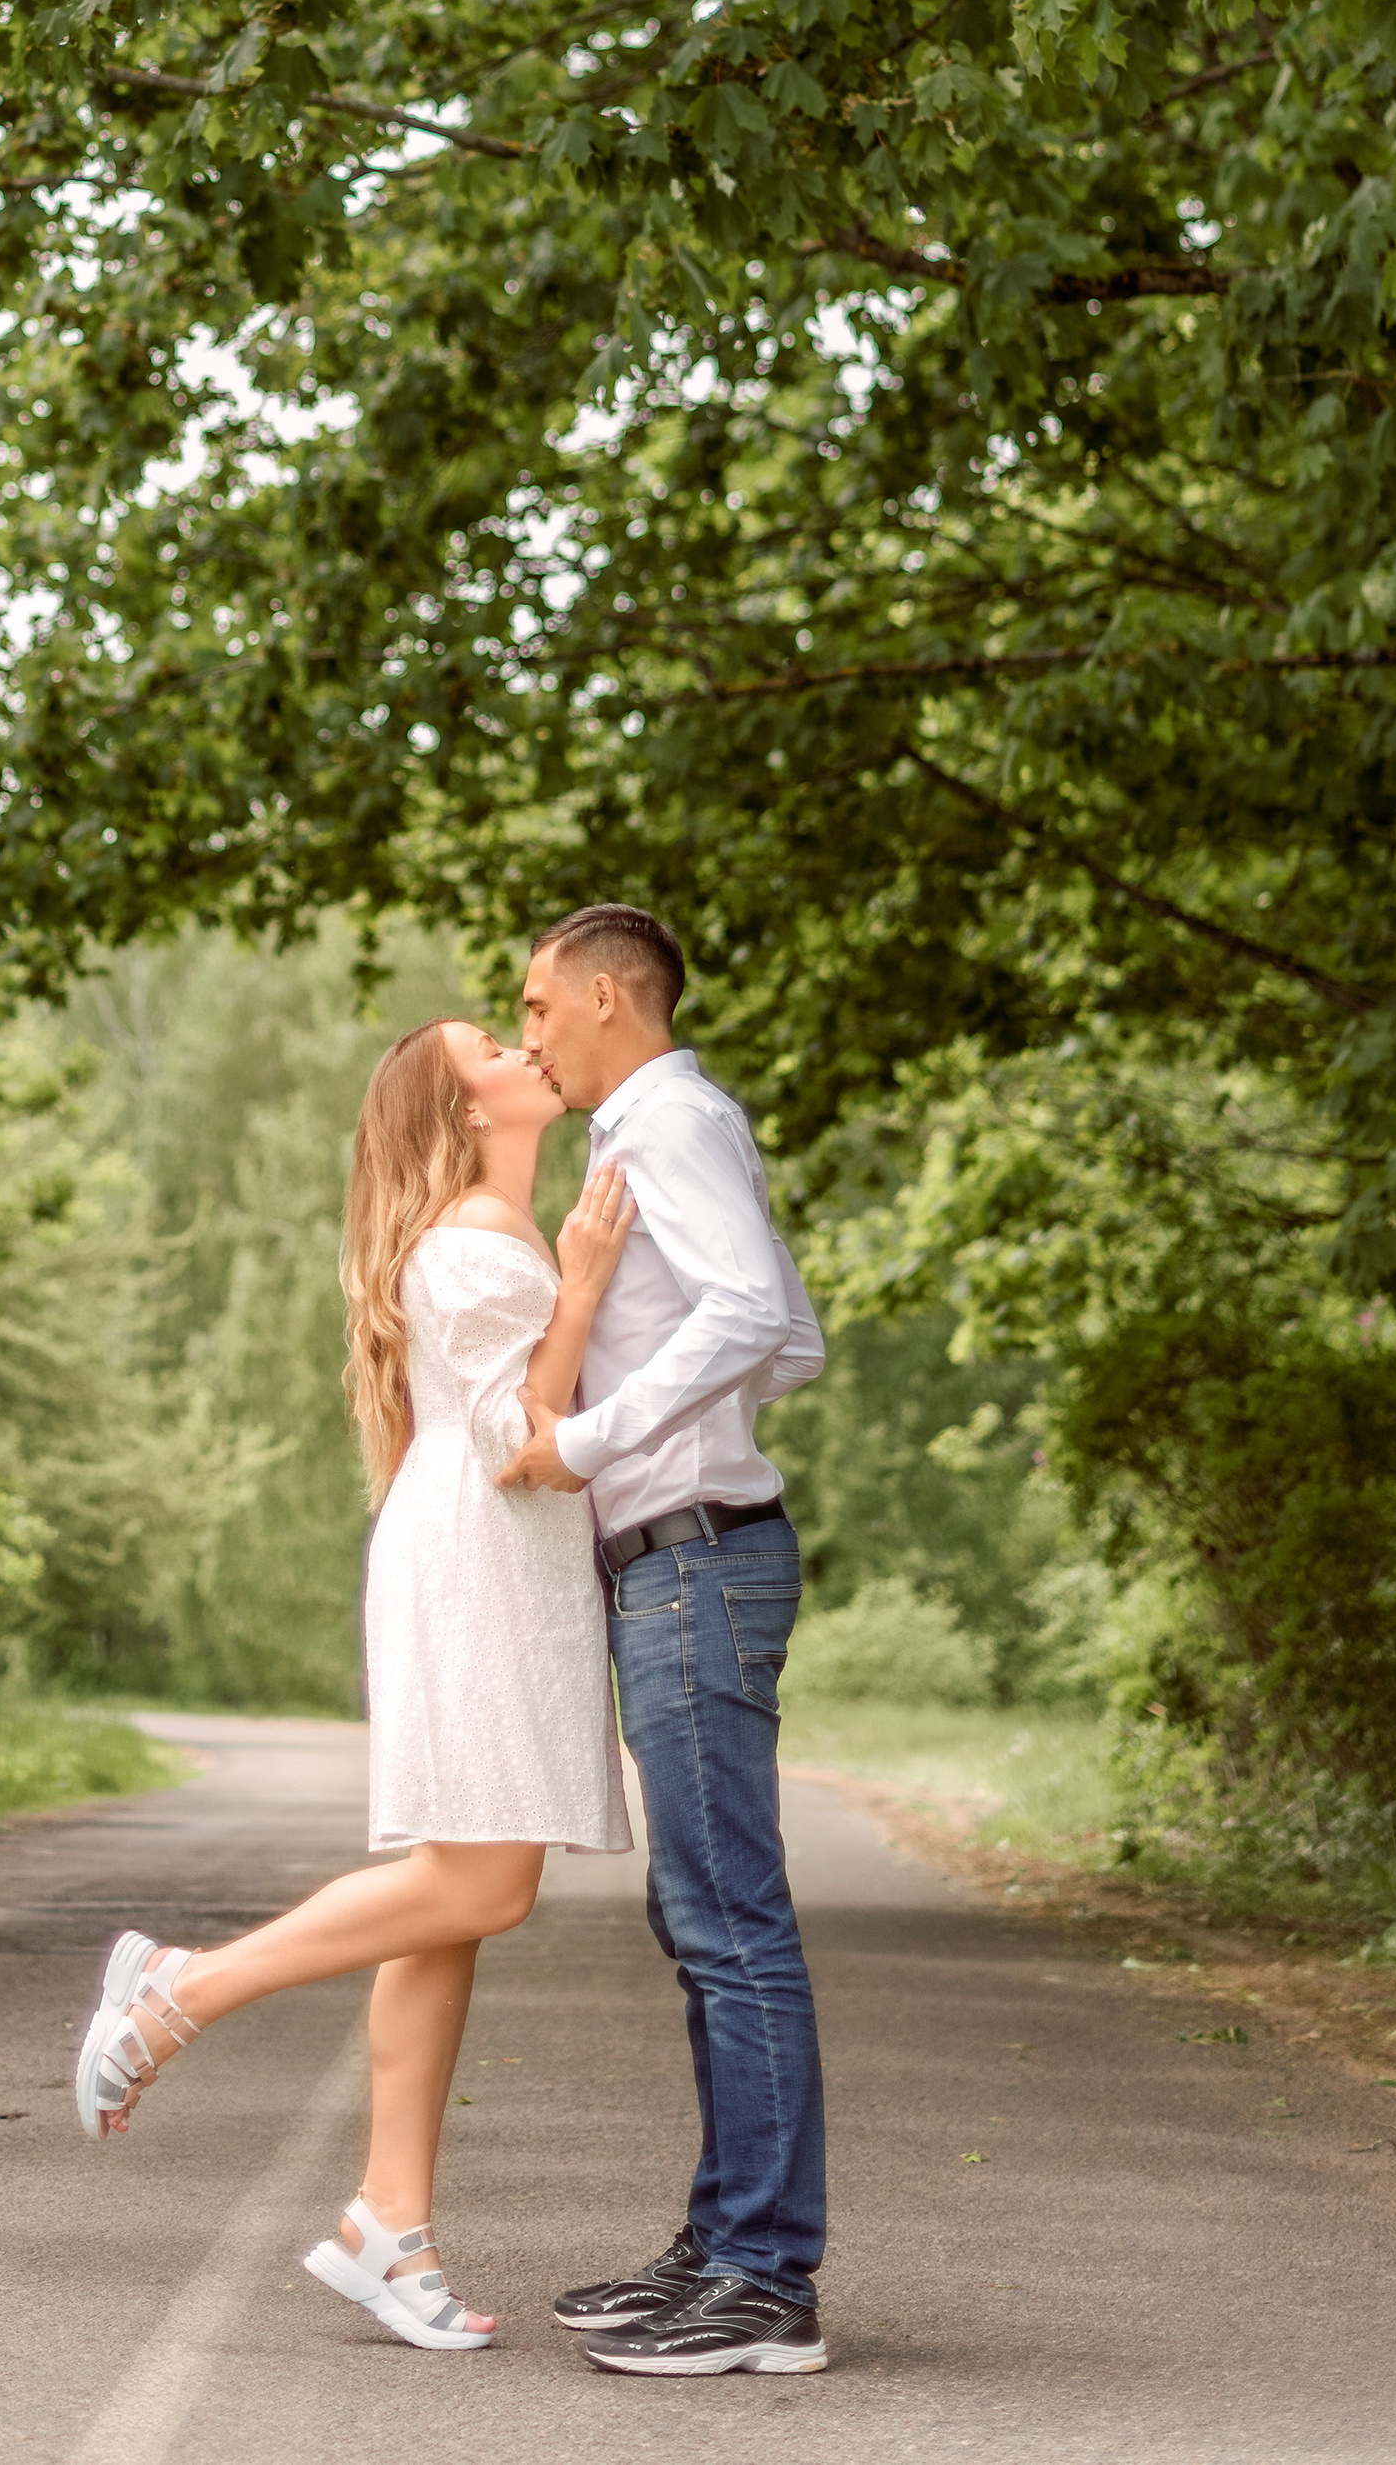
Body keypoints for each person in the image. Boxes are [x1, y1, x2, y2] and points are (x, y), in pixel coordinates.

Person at [68, 1014, 636, 2351]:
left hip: (494, 1559)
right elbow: (524, 1437)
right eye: (495, 1041)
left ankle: (392, 2222)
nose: (523, 1043)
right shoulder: (481, 1245)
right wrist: (589, 1282)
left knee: (446, 1907)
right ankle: (177, 1992)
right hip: (482, 1555)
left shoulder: (485, 1239)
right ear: (458, 1110)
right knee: (487, 1880)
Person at [500, 901, 831, 2380]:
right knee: (702, 1920)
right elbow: (792, 1338)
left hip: (696, 1560)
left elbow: (759, 1310)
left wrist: (592, 1434)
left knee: (729, 1924)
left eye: (538, 1004)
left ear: (611, 994)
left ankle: (767, 2277)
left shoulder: (661, 1122)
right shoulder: (671, 1123)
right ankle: (727, 2241)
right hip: (687, 1558)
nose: (527, 1033)